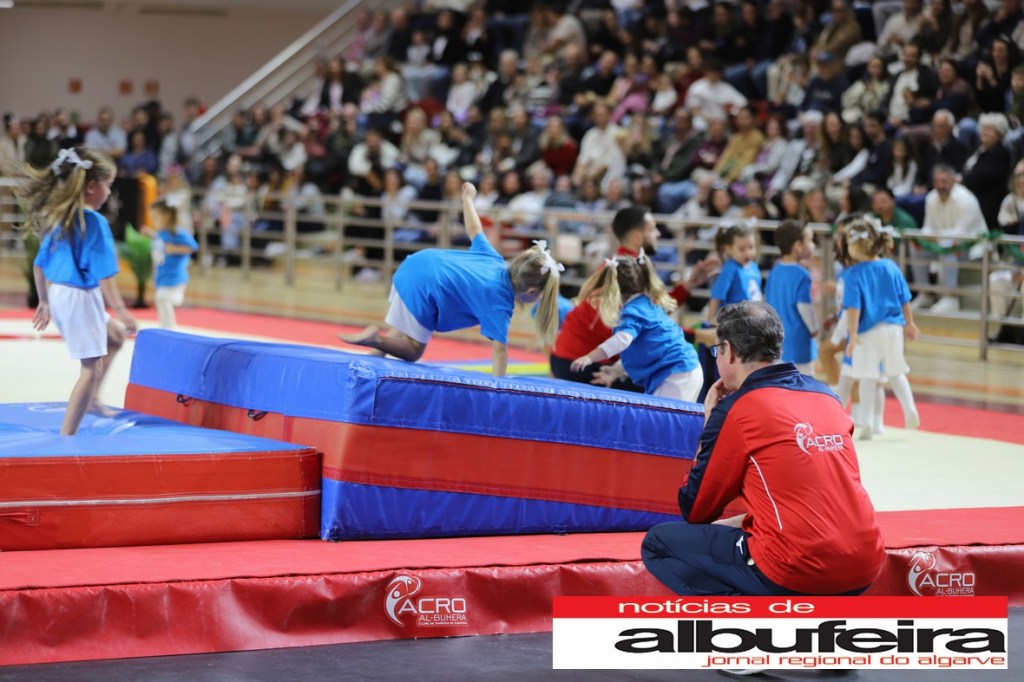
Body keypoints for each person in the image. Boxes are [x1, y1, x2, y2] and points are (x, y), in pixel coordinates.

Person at [641, 300, 885, 598]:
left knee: (657, 543)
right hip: (867, 563)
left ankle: (753, 615)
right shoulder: (828, 396)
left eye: (717, 351)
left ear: (729, 351)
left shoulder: (737, 409)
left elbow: (695, 509)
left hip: (796, 570)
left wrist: (709, 423)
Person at [339, 183, 560, 377]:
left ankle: (375, 352)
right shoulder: (500, 303)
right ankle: (376, 339)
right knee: (413, 350)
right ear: (531, 292)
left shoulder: (494, 259)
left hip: (415, 264)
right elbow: (500, 350)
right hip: (426, 284)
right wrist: (499, 388)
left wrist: (467, 198)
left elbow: (474, 228)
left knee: (406, 324)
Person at [19, 147, 138, 435]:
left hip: (60, 294)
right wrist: (121, 310)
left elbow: (39, 265)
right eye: (108, 185)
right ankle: (67, 435)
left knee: (114, 336)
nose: (109, 192)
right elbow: (104, 274)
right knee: (90, 369)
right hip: (78, 297)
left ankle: (92, 400)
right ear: (92, 186)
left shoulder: (61, 217)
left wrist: (44, 301)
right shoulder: (93, 222)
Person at [550, 206, 715, 389]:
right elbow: (632, 329)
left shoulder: (633, 266)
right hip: (577, 361)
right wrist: (699, 335)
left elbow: (651, 314)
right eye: (652, 229)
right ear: (637, 237)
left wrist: (688, 286)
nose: (658, 233)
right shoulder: (619, 273)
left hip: (583, 357)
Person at [569, 254, 703, 401]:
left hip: (676, 373)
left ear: (613, 292)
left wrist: (590, 357)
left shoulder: (633, 311)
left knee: (660, 415)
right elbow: (643, 350)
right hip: (684, 370)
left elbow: (622, 340)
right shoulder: (645, 303)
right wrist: (616, 371)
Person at [842, 216, 921, 440]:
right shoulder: (890, 266)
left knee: (867, 377)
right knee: (896, 372)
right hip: (894, 328)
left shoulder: (854, 273)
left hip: (867, 332)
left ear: (855, 246)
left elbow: (854, 307)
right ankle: (910, 409)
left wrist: (853, 334)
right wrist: (909, 322)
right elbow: (905, 297)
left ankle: (866, 422)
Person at [765, 220, 817, 375]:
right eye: (810, 240)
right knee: (805, 382)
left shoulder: (774, 272)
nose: (813, 245)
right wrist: (814, 329)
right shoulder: (802, 274)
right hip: (799, 343)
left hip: (777, 341)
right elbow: (804, 307)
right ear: (798, 245)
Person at [147, 199, 198, 329]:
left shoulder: (177, 233)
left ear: (167, 216)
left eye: (156, 217)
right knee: (160, 300)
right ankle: (165, 327)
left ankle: (170, 328)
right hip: (162, 275)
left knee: (163, 298)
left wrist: (174, 248)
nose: (153, 221)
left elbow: (193, 247)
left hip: (175, 276)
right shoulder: (160, 234)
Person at [707, 224, 763, 322]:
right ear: (728, 249)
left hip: (752, 320)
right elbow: (716, 296)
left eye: (751, 247)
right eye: (742, 249)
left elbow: (757, 293)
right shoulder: (730, 269)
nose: (748, 253)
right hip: (735, 322)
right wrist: (710, 319)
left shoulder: (753, 266)